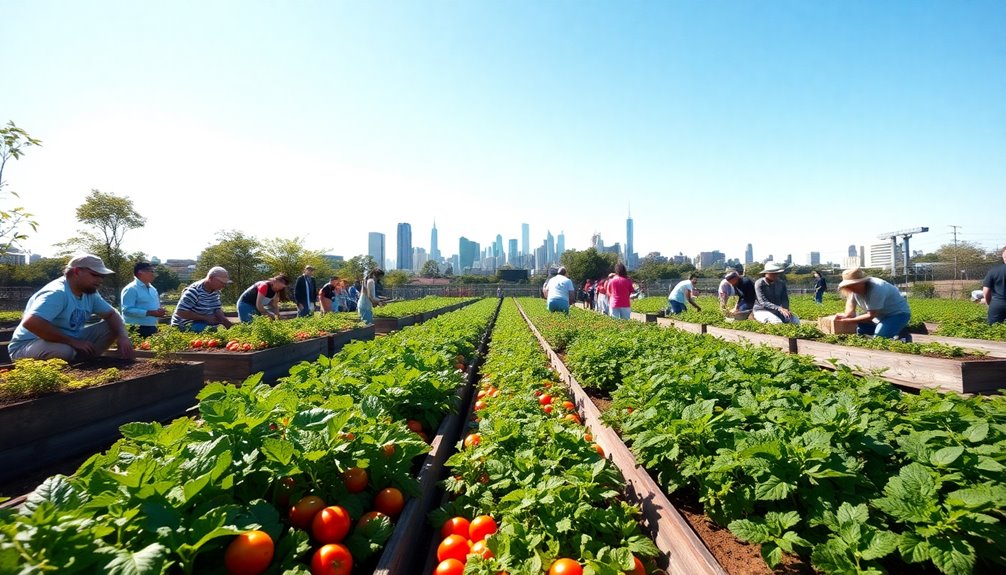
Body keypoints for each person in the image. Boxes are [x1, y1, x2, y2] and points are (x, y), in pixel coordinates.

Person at [8, 253, 135, 362]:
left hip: (69, 341)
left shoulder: (90, 293)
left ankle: (88, 362)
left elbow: (112, 314)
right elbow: (31, 322)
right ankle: (79, 361)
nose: (100, 280)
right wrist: (72, 342)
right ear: (77, 271)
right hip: (28, 345)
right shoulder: (57, 293)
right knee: (64, 351)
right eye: (95, 275)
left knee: (112, 327)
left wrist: (123, 336)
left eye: (102, 276)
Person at [835, 267, 911, 338]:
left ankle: (900, 333)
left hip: (897, 314)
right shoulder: (853, 290)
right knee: (861, 329)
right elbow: (850, 305)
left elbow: (871, 315)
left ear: (862, 282)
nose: (851, 288)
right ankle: (896, 330)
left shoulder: (877, 288)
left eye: (853, 285)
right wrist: (847, 315)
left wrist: (849, 321)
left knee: (880, 337)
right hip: (879, 316)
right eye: (848, 286)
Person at [170, 266, 235, 332]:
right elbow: (181, 312)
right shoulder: (194, 291)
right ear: (211, 278)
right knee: (212, 330)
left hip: (203, 322)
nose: (224, 285)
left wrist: (224, 320)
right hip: (185, 324)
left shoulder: (216, 291)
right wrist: (205, 318)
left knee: (220, 329)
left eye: (225, 283)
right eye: (221, 282)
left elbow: (217, 308)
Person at [120, 261, 166, 337]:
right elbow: (127, 310)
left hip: (151, 326)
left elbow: (153, 307)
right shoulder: (131, 289)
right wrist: (150, 313)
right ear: (140, 272)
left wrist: (159, 311)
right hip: (136, 329)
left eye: (153, 271)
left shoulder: (152, 289)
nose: (153, 274)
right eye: (150, 271)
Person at [983, 247, 1006, 324]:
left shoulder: (994, 271)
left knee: (994, 330)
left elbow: (986, 291)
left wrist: (989, 303)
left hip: (997, 305)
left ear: (1003, 257)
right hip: (997, 303)